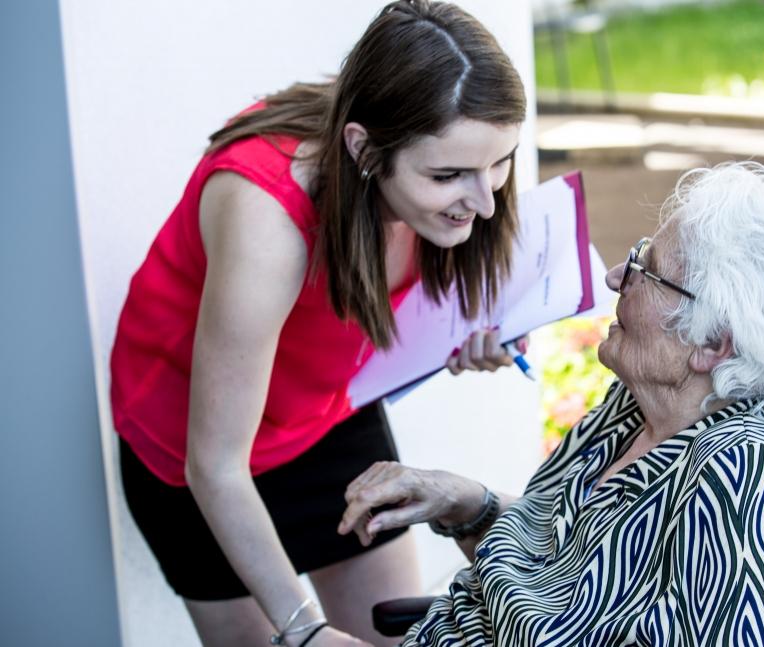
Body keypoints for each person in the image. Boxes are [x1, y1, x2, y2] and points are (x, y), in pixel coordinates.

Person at [109, 2, 526, 645]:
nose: (486, 199)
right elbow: (214, 465)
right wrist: (302, 630)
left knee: (393, 635)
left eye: (500, 162)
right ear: (364, 149)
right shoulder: (266, 219)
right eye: (449, 176)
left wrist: (478, 325)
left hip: (323, 420)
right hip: (198, 455)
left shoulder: (421, 137)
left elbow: (379, 296)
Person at [340, 161, 764, 646]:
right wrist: (464, 503)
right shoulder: (639, 407)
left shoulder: (744, 471)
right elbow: (553, 568)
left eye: (648, 268)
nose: (618, 276)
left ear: (712, 344)